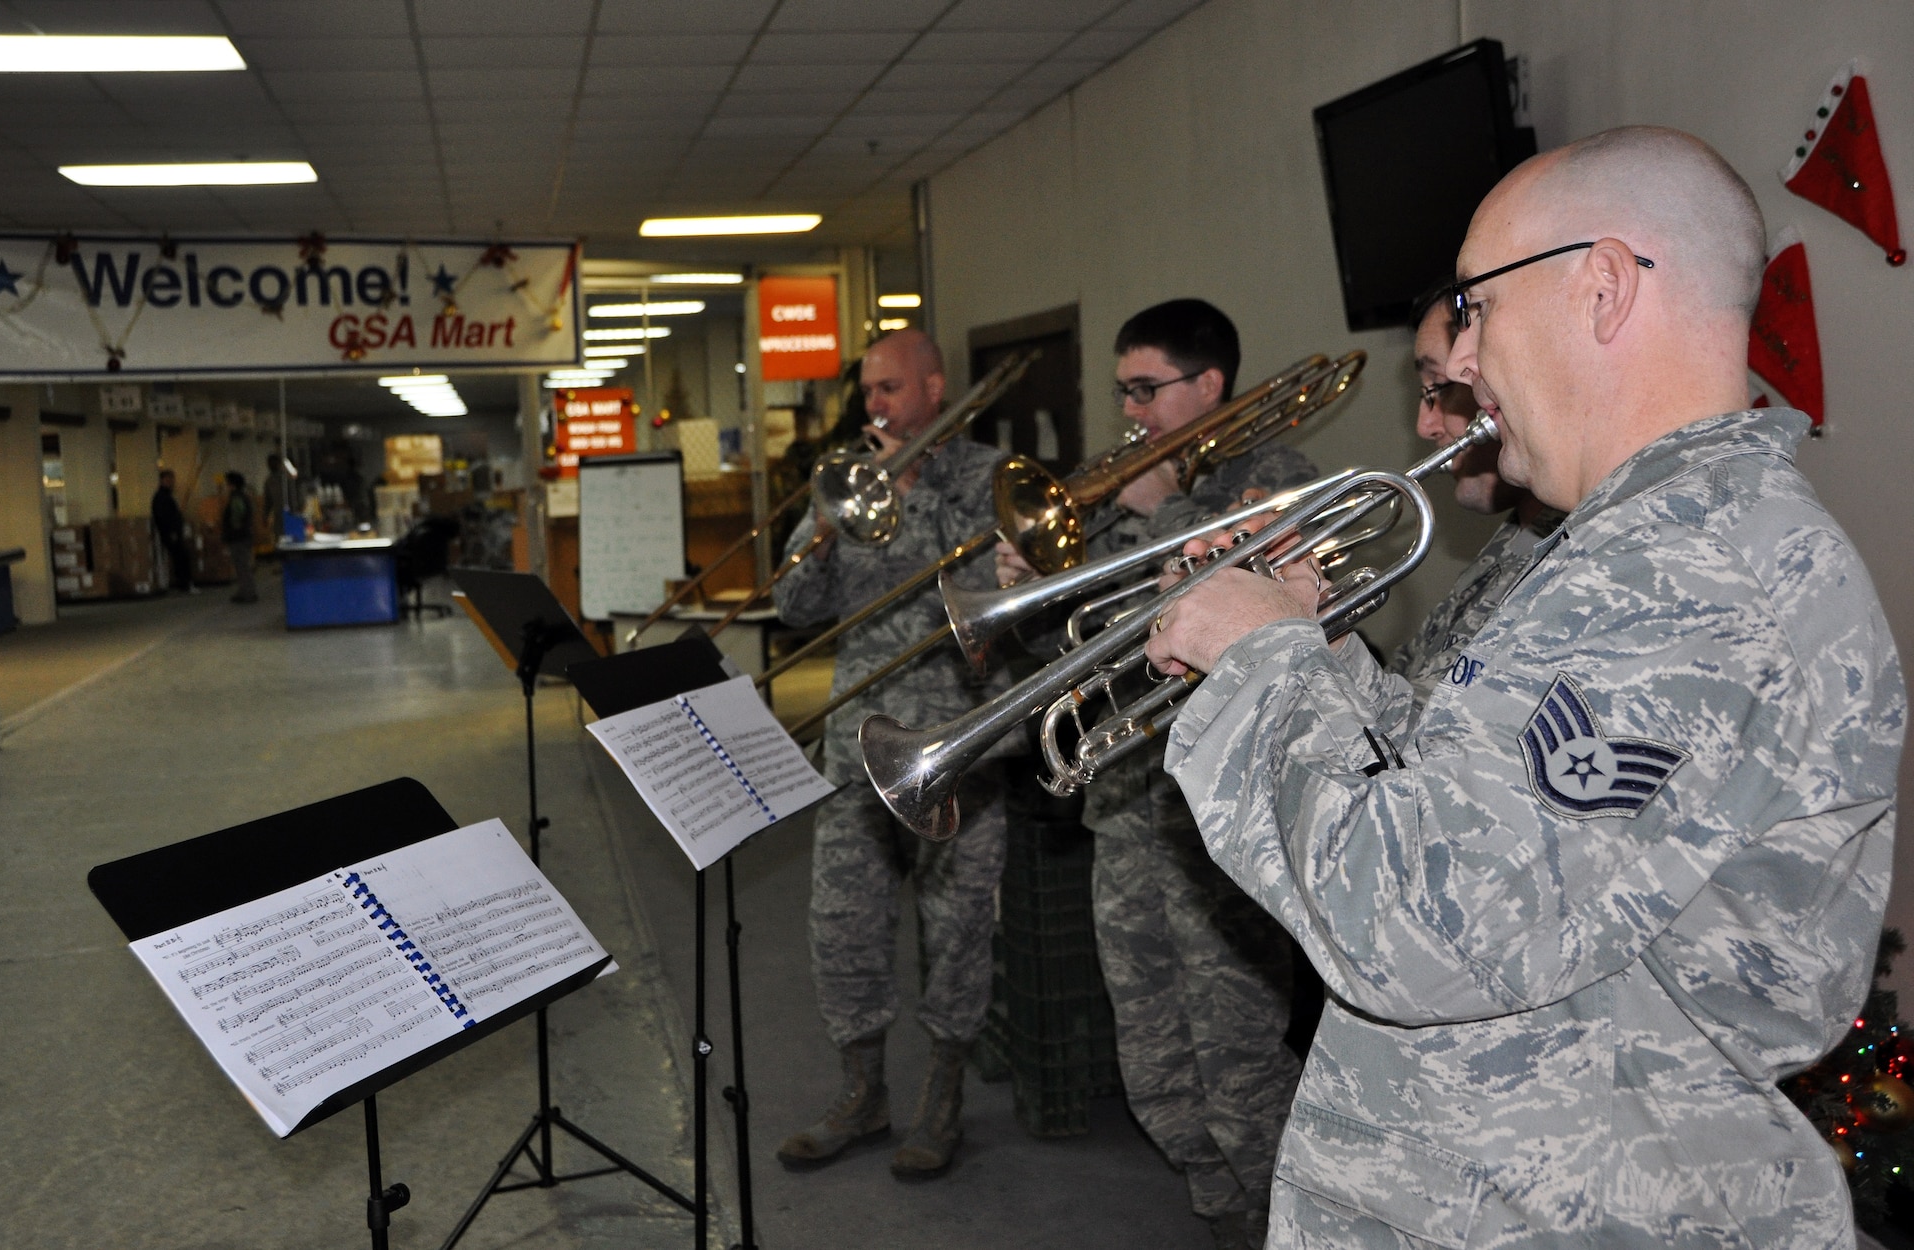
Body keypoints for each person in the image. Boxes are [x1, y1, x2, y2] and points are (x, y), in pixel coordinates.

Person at [1146, 126, 1902, 1246]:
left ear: (1599, 287)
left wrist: (1265, 665)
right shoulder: (1622, 549)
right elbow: (1474, 798)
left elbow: (1408, 920)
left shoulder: (1695, 575)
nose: (1455, 361)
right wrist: (1310, 646)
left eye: (1475, 304)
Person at [997, 299, 1318, 1250]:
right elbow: (1081, 653)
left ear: (1208, 387)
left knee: (1239, 1068)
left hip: (1220, 830)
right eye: (1124, 389)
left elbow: (1256, 627)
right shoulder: (1113, 502)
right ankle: (1222, 1216)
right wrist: (1033, 586)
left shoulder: (1277, 478)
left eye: (1146, 390)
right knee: (1155, 1067)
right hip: (1126, 807)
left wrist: (1170, 511)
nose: (1129, 412)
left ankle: (1278, 1224)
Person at [772, 329, 1007, 1180]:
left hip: (957, 739)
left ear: (936, 386)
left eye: (891, 388)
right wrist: (828, 530)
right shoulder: (846, 480)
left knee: (957, 927)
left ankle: (941, 1095)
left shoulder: (984, 477)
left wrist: (915, 492)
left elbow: (1006, 590)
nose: (876, 405)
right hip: (856, 741)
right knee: (842, 919)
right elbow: (793, 606)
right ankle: (861, 1090)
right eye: (869, 390)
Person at [1386, 284, 1561, 706]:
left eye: (1439, 387)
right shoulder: (1518, 532)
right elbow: (1408, 685)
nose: (1424, 427)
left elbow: (1431, 747)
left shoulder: (1571, 547)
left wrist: (1284, 639)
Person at [151, 468, 194, 594]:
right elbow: (164, 517)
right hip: (170, 533)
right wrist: (171, 532)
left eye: (172, 480)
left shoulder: (167, 496)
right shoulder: (161, 497)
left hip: (174, 532)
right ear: (162, 480)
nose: (171, 482)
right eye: (168, 480)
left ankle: (184, 583)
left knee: (181, 557)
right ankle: (184, 584)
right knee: (181, 557)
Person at [221, 471, 257, 604]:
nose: (226, 486)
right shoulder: (243, 496)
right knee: (242, 566)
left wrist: (233, 531)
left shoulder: (236, 498)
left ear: (232, 485)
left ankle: (247, 593)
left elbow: (237, 516)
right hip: (244, 535)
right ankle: (245, 591)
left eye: (227, 483)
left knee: (242, 566)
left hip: (238, 537)